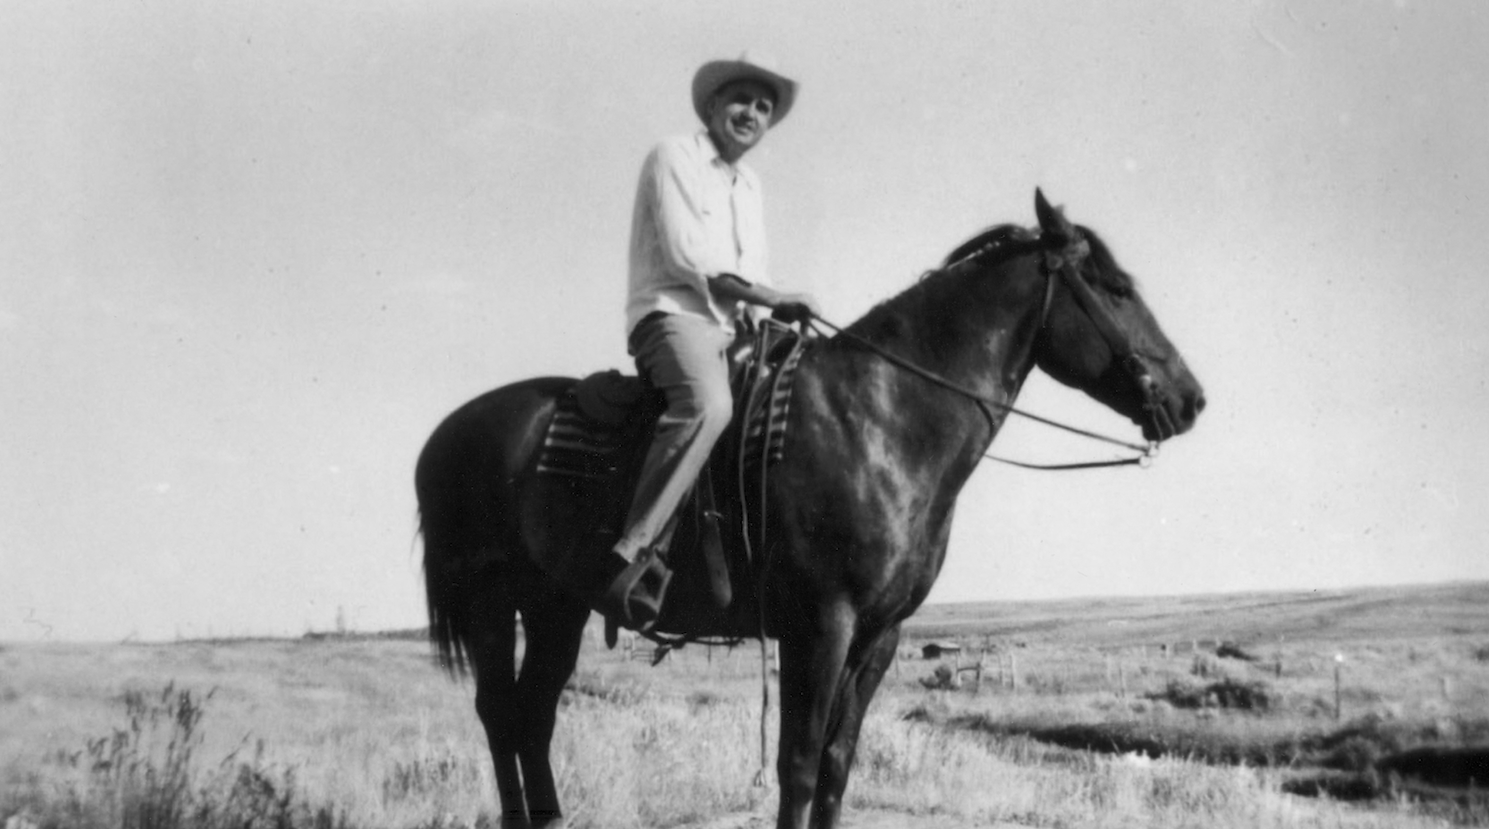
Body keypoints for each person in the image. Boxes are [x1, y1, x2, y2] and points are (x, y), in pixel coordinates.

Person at [594, 52, 820, 631]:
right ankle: (633, 556)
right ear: (714, 104)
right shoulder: (674, 155)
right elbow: (686, 254)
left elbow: (752, 267)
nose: (751, 113)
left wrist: (764, 312)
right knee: (708, 406)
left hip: (733, 325)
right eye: (741, 99)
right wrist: (773, 297)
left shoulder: (750, 184)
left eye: (763, 106)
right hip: (672, 314)